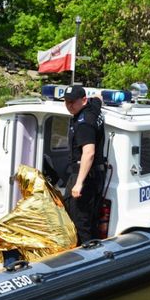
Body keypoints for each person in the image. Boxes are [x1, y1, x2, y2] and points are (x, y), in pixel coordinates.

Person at [63, 85, 106, 244]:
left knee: (80, 222)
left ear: (83, 100)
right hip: (97, 175)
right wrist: (99, 95)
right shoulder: (93, 108)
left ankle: (86, 256)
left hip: (85, 176)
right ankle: (96, 248)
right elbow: (98, 99)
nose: (69, 105)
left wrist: (79, 183)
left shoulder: (83, 123)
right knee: (90, 218)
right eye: (66, 102)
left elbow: (89, 152)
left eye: (72, 102)